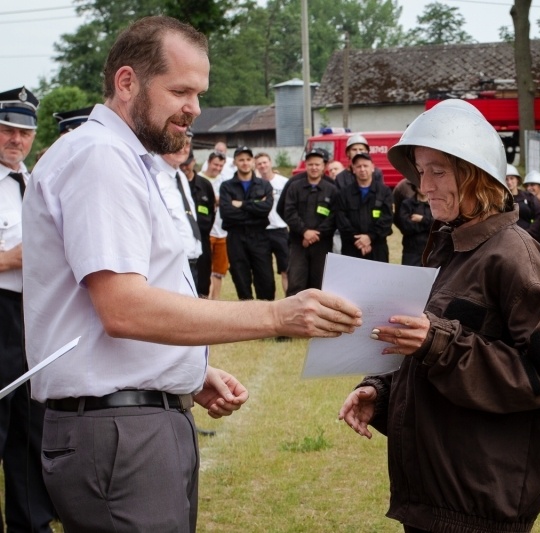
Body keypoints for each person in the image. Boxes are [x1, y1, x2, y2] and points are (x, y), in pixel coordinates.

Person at [22, 17, 362, 532]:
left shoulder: (128, 159)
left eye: (199, 93)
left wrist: (185, 371)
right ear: (127, 81)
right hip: (118, 433)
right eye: (180, 90)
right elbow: (123, 307)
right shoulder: (100, 158)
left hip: (133, 423)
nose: (194, 109)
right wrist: (276, 314)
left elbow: (123, 301)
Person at [338, 99, 540, 533]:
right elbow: (434, 353)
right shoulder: (453, 247)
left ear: (476, 176)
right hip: (435, 497)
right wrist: (383, 392)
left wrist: (438, 342)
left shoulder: (512, 255)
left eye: (437, 171)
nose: (423, 185)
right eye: (420, 170)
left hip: (477, 505)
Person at [0, 86, 56, 533]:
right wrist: (13, 258)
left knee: (29, 426)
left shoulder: (34, 181)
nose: (16, 140)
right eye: (7, 130)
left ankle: (30, 524)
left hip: (33, 314)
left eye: (24, 132)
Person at [219, 146, 275, 301]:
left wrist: (242, 205)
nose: (245, 163)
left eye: (248, 159)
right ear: (235, 162)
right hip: (236, 237)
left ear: (253, 162)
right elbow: (227, 213)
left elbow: (266, 209)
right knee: (241, 280)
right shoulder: (226, 187)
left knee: (266, 281)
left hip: (259, 237)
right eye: (241, 159)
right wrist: (254, 207)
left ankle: (266, 320)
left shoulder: (264, 185)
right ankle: (247, 320)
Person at [282, 148, 339, 295]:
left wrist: (315, 235)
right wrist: (304, 232)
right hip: (298, 243)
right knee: (296, 283)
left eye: (317, 164)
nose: (314, 167)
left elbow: (334, 216)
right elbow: (289, 212)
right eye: (310, 164)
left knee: (320, 284)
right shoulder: (295, 187)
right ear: (305, 165)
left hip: (322, 244)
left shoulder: (331, 189)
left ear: (323, 167)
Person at [154, 139, 203, 285]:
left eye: (187, 144)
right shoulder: (153, 175)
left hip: (190, 259)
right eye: (177, 142)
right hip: (168, 264)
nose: (183, 148)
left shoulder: (179, 175)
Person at [334, 152, 393, 261]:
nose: (362, 169)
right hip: (351, 248)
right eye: (358, 166)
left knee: (378, 278)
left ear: (372, 167)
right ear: (353, 169)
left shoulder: (384, 192)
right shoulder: (344, 194)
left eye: (365, 166)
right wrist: (358, 240)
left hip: (377, 247)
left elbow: (387, 219)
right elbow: (341, 220)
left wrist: (370, 237)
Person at [182, 148, 216, 298]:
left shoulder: (204, 185)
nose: (185, 167)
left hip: (202, 239)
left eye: (187, 163)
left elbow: (212, 211)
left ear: (193, 162)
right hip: (182, 242)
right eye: (182, 164)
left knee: (202, 283)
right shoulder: (174, 184)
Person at [255, 152, 290, 295]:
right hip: (261, 231)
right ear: (256, 166)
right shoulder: (254, 184)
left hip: (280, 230)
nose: (263, 166)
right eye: (259, 163)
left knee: (286, 270)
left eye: (265, 162)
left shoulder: (284, 182)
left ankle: (289, 301)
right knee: (264, 273)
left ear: (270, 162)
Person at [200, 151, 230, 300]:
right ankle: (206, 301)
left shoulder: (225, 181)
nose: (217, 168)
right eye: (215, 164)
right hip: (207, 232)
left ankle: (215, 301)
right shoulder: (198, 179)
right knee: (206, 270)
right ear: (208, 162)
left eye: (221, 165)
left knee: (219, 272)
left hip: (223, 232)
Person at [506, 163, 540, 242]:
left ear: (517, 180)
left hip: (528, 238)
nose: (509, 182)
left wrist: (528, 233)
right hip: (508, 239)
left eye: (512, 178)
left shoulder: (529, 197)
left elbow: (539, 216)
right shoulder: (500, 200)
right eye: (506, 179)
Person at [396, 188, 433, 266]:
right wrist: (428, 225)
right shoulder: (407, 204)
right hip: (411, 251)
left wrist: (422, 219)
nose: (421, 187)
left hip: (431, 250)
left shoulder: (436, 204)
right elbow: (406, 227)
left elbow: (438, 225)